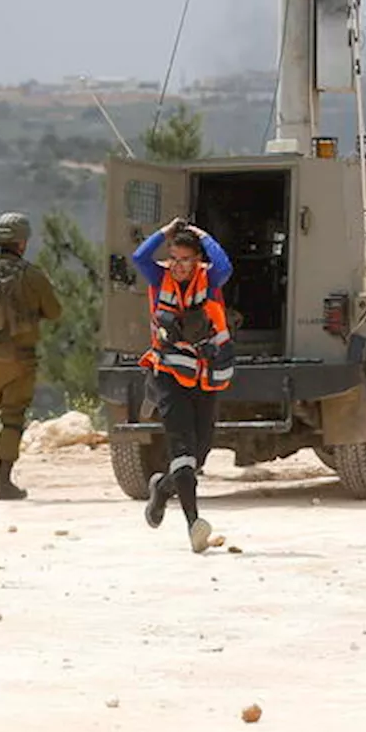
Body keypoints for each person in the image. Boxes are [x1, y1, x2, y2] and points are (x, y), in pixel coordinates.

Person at [131, 217, 234, 552]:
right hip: (167, 373)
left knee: (200, 453)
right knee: (182, 449)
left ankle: (161, 490)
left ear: (197, 261)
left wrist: (204, 232)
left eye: (185, 259)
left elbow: (224, 263)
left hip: (204, 374)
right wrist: (165, 231)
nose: (177, 266)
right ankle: (194, 524)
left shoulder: (211, 278)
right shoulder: (158, 277)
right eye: (173, 258)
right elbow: (139, 258)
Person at [0, 211, 62, 500]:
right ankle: (3, 482)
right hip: (21, 359)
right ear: (22, 243)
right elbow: (55, 312)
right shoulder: (31, 275)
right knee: (13, 417)